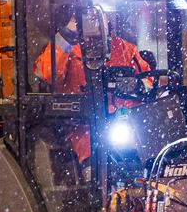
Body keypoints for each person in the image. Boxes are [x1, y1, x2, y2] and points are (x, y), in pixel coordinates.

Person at [34, 9, 153, 162]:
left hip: (124, 130)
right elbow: (48, 73)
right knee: (94, 164)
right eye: (88, 15)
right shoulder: (67, 49)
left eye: (100, 15)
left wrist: (137, 85)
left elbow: (148, 81)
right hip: (83, 128)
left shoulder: (125, 49)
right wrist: (68, 33)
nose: (95, 21)